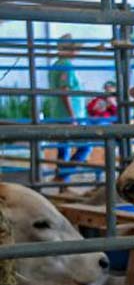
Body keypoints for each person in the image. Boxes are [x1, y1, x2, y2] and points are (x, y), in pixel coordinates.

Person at [44, 34, 91, 180]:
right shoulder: (66, 65)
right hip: (69, 115)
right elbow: (65, 91)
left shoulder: (56, 65)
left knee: (63, 147)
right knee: (85, 146)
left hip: (59, 114)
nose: (77, 52)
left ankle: (62, 182)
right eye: (75, 49)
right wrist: (73, 116)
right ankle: (63, 176)